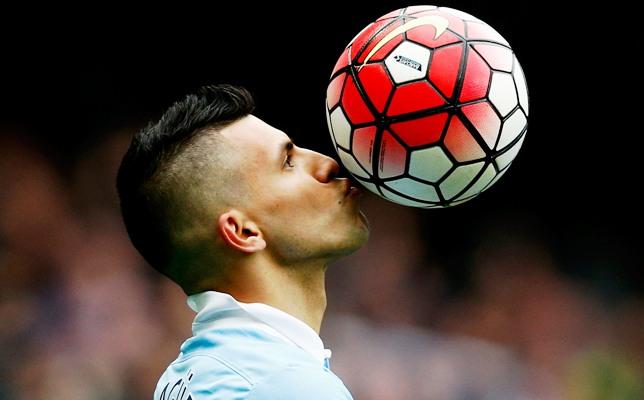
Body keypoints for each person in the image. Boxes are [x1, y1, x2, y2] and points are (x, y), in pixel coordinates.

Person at [116, 84, 369, 399]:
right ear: (243, 231)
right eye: (288, 162)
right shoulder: (292, 386)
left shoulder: (179, 381)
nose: (326, 163)